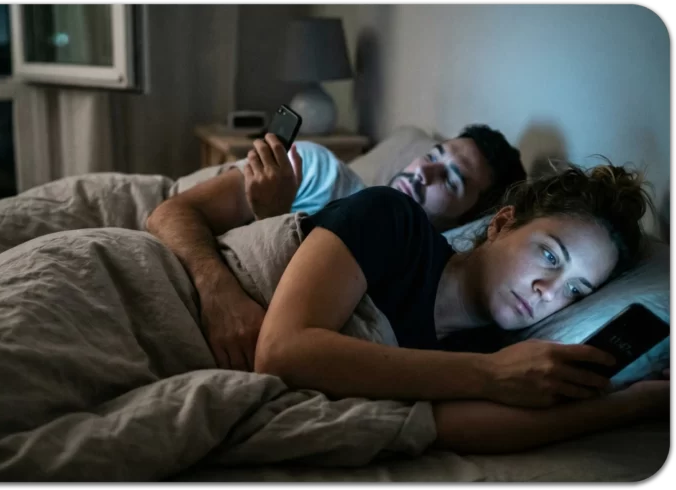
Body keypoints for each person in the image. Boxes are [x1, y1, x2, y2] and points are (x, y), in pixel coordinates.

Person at [248, 136, 666, 453]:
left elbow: (451, 428)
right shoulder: (394, 221)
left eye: (576, 290)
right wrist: (490, 376)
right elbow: (283, 351)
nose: (548, 291)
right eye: (549, 255)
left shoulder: (488, 352)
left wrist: (636, 404)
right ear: (501, 223)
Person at [147, 125, 526, 370]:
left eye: (452, 180)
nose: (423, 173)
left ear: (474, 219)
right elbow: (169, 212)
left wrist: (272, 218)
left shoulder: (418, 291)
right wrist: (220, 293)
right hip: (167, 255)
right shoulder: (318, 173)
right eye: (431, 157)